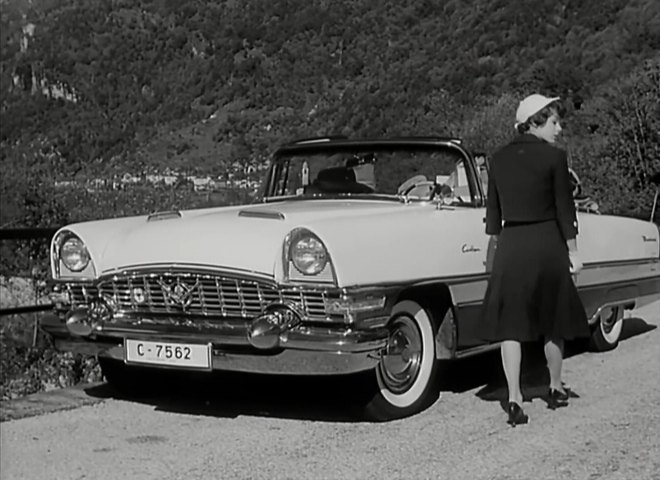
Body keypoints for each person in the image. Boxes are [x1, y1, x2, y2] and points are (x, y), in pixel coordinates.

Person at [480, 93, 590, 427]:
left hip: (511, 244)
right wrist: (573, 252)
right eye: (554, 122)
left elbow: (493, 215)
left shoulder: (498, 159)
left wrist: (493, 254)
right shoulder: (554, 158)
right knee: (553, 319)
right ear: (535, 122)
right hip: (546, 243)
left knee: (510, 325)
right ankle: (554, 387)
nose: (559, 128)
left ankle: (514, 397)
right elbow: (565, 210)